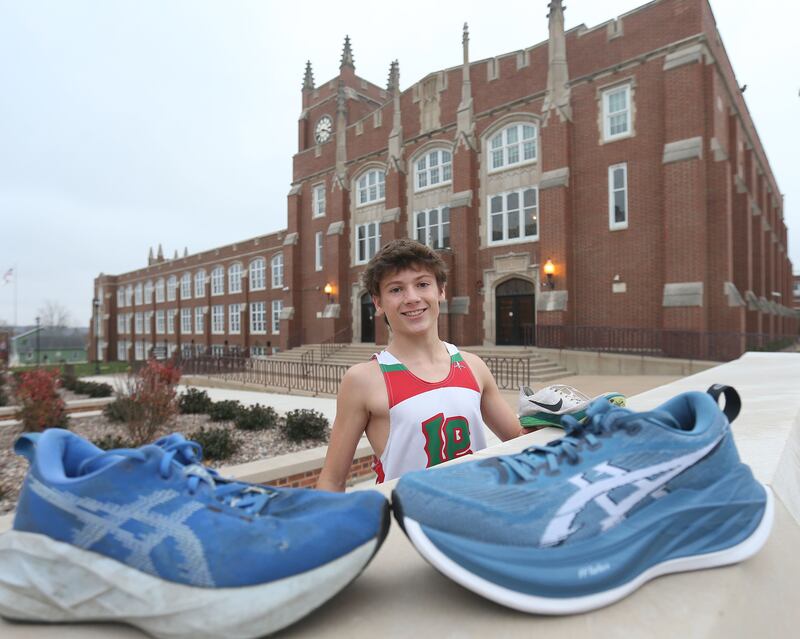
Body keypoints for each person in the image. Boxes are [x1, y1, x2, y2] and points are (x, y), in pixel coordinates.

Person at [317, 239, 528, 492]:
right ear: (378, 303)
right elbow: (332, 480)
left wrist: (553, 421)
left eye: (422, 284)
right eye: (396, 289)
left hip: (476, 509)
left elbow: (521, 441)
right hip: (407, 515)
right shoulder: (363, 380)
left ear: (441, 291)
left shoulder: (473, 366)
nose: (412, 298)